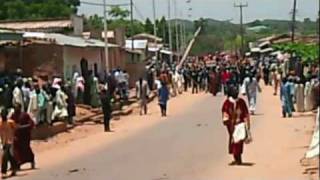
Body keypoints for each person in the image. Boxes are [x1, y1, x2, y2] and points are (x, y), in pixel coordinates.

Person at [222, 86, 250, 165]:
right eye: (234, 91)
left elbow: (245, 113)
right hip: (231, 125)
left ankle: (239, 157)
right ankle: (236, 157)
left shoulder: (241, 101)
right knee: (233, 141)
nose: (236, 92)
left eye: (236, 91)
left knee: (239, 142)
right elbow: (225, 112)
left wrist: (247, 123)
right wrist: (226, 120)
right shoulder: (227, 102)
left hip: (240, 124)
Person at [11, 103, 35, 169]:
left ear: (20, 108)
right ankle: (18, 164)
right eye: (14, 108)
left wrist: (21, 127)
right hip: (17, 136)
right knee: (16, 150)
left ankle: (31, 160)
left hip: (25, 136)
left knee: (26, 148)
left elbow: (31, 124)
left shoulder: (25, 115)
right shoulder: (13, 115)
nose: (15, 109)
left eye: (17, 108)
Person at [0, 108, 18, 178]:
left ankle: (4, 172)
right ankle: (14, 168)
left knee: (5, 156)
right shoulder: (0, 123)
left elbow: (15, 128)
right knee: (9, 156)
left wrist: (14, 136)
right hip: (3, 141)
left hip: (10, 141)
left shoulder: (10, 122)